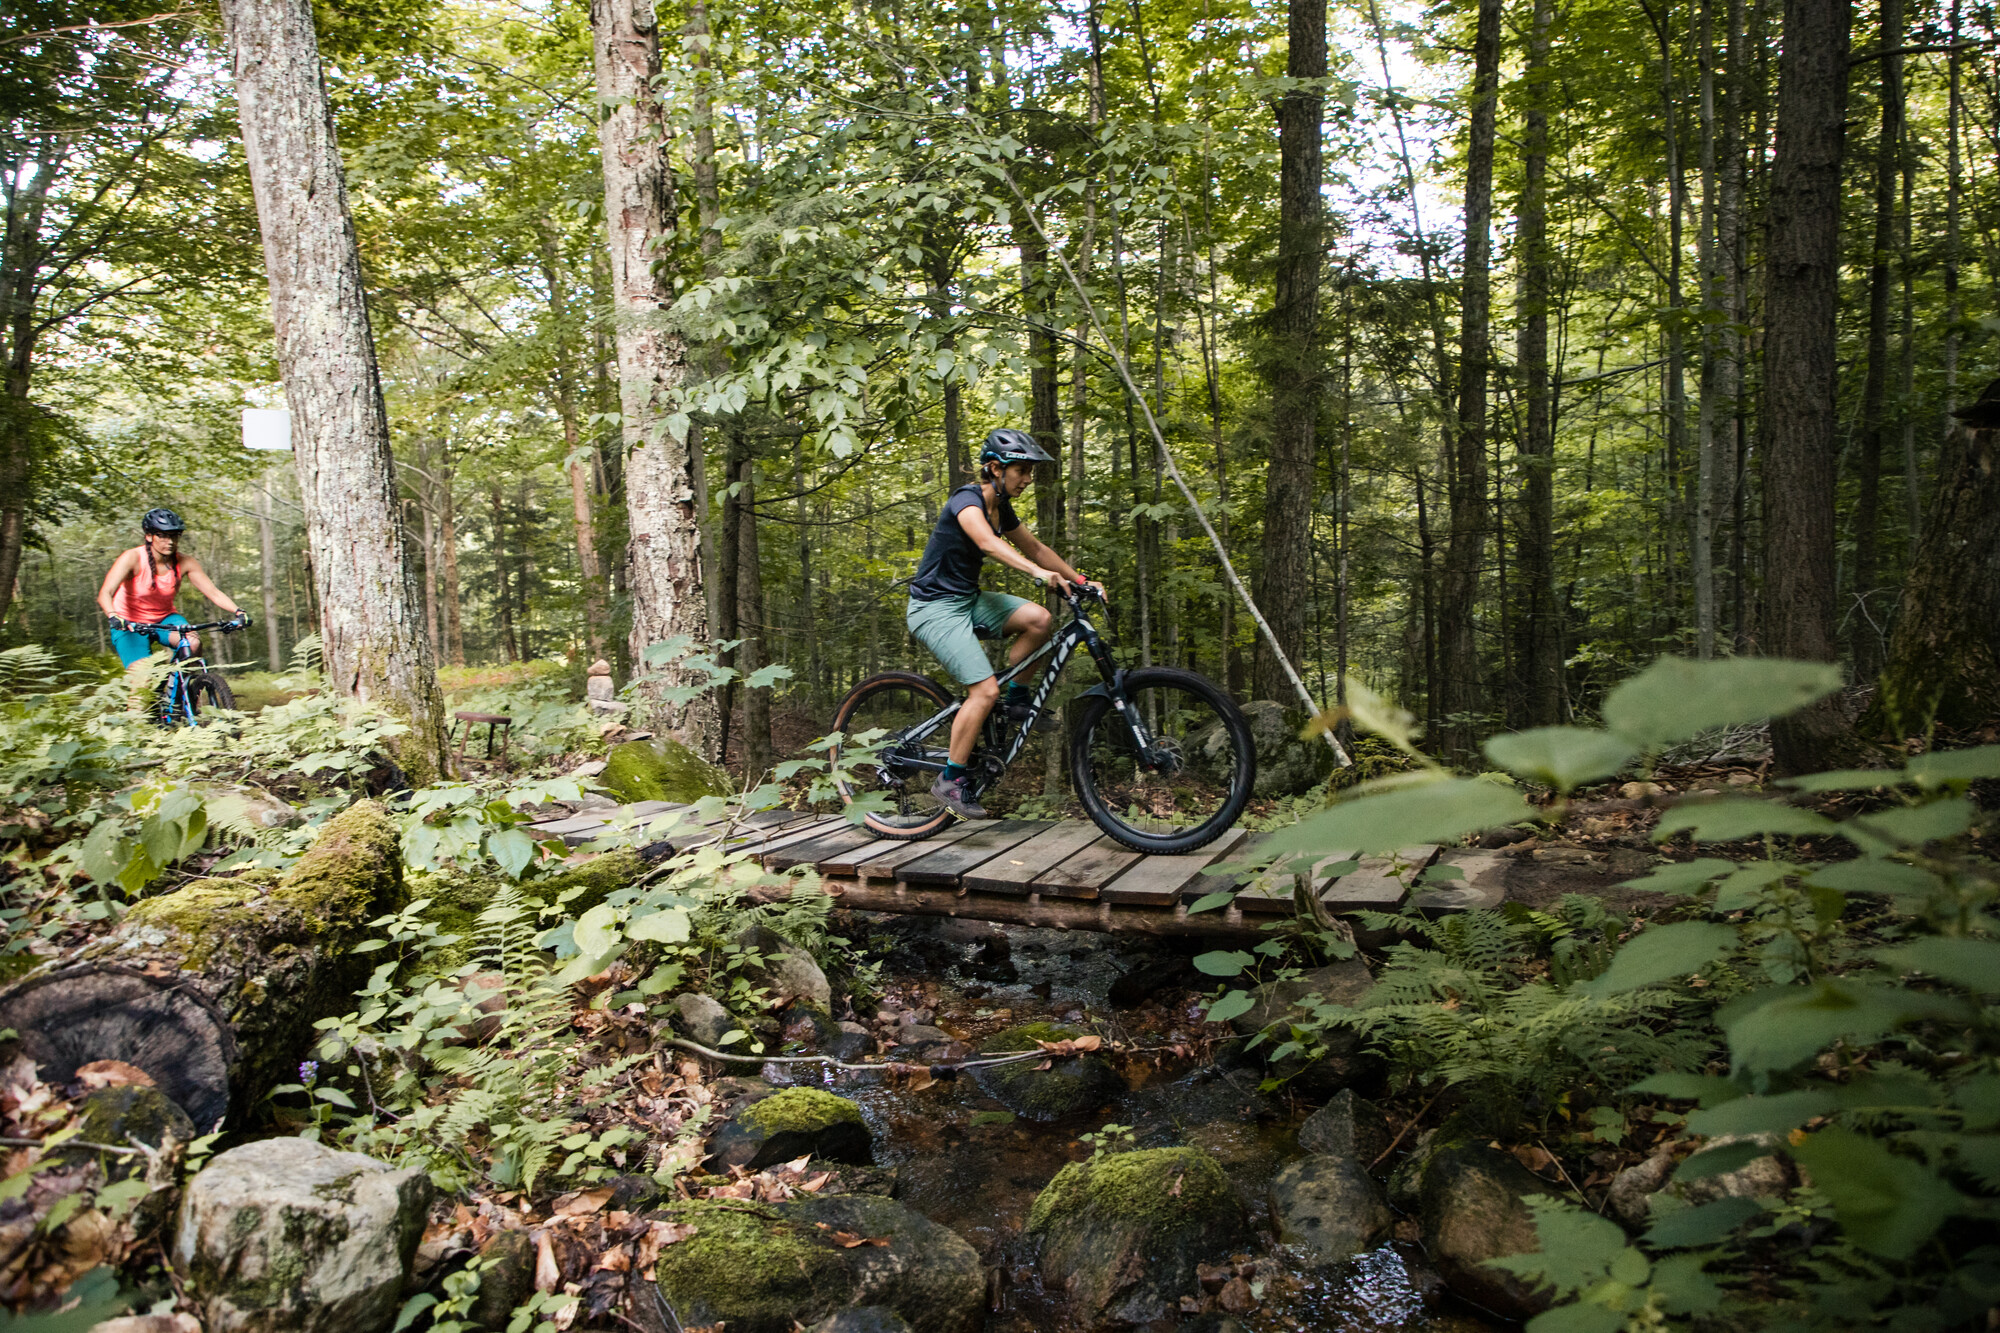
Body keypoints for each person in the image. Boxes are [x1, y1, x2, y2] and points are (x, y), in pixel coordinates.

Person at [906, 428, 1104, 819]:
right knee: (982, 692)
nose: (1028, 479)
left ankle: (1016, 701)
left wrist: (1081, 581)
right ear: (995, 468)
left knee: (1039, 619)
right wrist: (1036, 573)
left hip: (967, 600)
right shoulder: (966, 500)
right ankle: (950, 779)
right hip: (934, 609)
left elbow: (1036, 548)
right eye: (1022, 471)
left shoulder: (1003, 507)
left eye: (1030, 471)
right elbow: (987, 544)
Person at [96, 509, 250, 698]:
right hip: (129, 622)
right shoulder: (133, 558)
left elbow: (213, 592)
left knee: (192, 643)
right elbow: (105, 593)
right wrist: (113, 616)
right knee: (142, 682)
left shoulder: (185, 561)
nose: (170, 542)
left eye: (174, 536)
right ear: (149, 536)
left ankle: (182, 693)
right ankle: (138, 723)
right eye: (163, 536)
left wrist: (238, 611)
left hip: (165, 617)